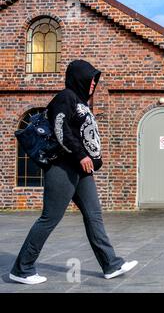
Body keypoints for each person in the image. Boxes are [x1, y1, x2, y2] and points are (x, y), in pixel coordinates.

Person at [9, 60, 138, 285]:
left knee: (94, 215)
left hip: (81, 170)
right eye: (90, 79)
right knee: (50, 218)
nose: (93, 84)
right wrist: (80, 155)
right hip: (62, 167)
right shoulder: (65, 97)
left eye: (95, 80)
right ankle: (22, 268)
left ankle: (111, 264)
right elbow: (61, 129)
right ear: (79, 78)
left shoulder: (81, 102)